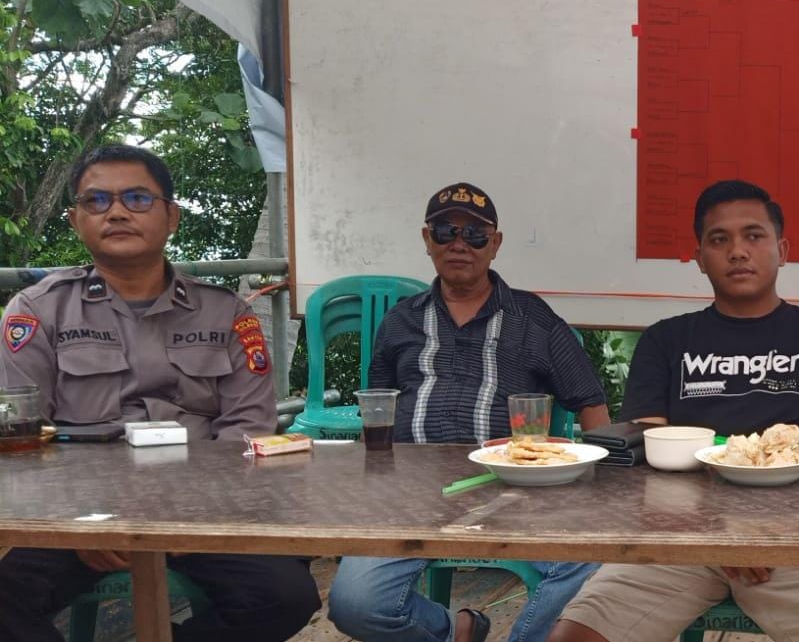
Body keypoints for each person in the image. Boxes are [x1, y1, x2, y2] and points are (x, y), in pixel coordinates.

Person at [547, 180, 799, 642]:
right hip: (680, 538)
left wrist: (761, 526)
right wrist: (715, 529)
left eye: (754, 235)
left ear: (782, 250)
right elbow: (648, 450)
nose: (737, 251)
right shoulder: (666, 340)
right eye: (719, 239)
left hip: (796, 540)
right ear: (700, 258)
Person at [0, 144, 320, 642]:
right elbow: (21, 437)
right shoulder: (38, 311)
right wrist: (77, 523)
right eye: (96, 200)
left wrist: (192, 515)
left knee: (286, 596)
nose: (116, 212)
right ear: (76, 221)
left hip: (202, 511)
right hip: (81, 515)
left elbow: (248, 426)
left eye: (137, 198)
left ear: (171, 216)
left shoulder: (226, 313)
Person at [328, 181, 611, 642]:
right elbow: (376, 408)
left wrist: (601, 489)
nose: (460, 244)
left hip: (511, 488)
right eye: (446, 231)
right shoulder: (400, 320)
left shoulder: (533, 318)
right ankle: (455, 631)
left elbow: (591, 404)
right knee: (355, 605)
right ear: (427, 240)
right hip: (409, 491)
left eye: (475, 235)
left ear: (495, 245)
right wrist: (366, 489)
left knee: (591, 559)